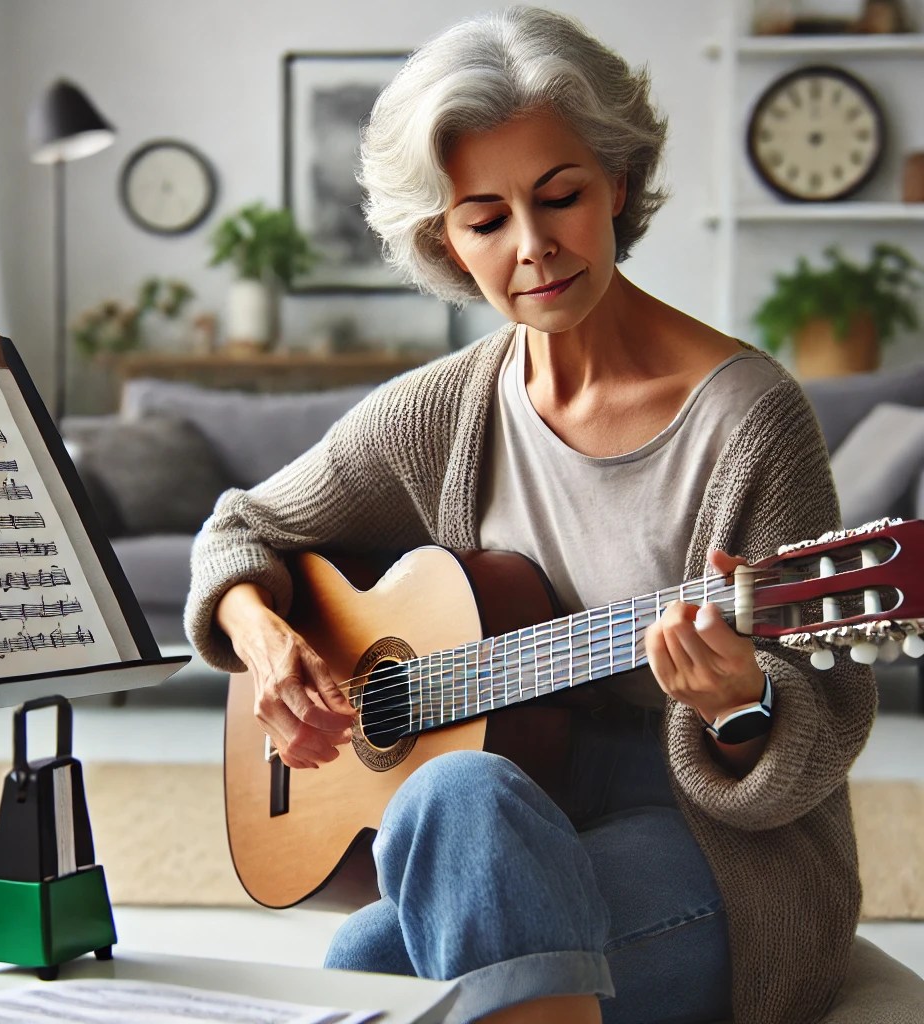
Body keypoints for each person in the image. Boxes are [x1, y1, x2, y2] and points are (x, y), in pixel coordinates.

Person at [185, 7, 876, 1023]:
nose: (534, 247)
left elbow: (821, 727)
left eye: (560, 197)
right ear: (444, 240)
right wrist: (263, 635)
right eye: (485, 220)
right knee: (369, 937)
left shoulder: (749, 419)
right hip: (516, 816)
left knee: (431, 841)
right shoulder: (443, 411)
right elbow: (240, 530)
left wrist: (739, 704)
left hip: (722, 856)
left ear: (617, 185)